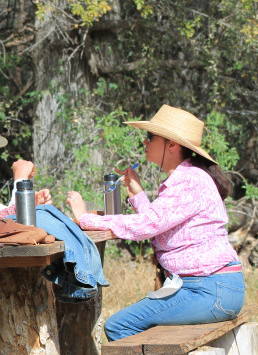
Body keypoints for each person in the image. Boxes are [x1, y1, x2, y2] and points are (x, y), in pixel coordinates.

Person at [67, 105, 245, 341]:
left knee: (118, 326)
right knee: (127, 323)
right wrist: (138, 194)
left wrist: (84, 218)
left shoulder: (189, 181)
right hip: (211, 287)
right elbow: (161, 224)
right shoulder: (187, 177)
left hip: (210, 289)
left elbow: (146, 226)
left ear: (172, 145)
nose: (144, 142)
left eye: (151, 137)